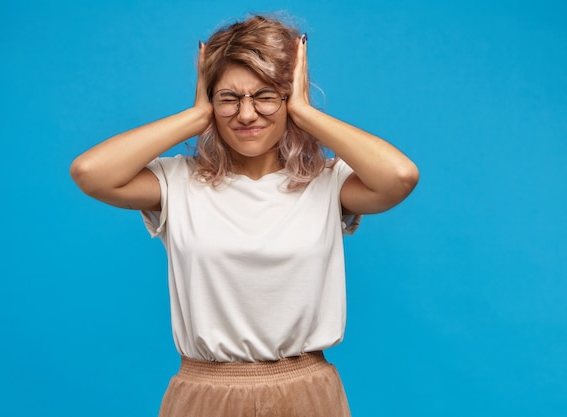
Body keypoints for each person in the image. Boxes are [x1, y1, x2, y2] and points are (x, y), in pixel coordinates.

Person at [70, 14, 419, 417]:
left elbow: (399, 176)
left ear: (290, 96)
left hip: (306, 393)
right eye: (229, 98)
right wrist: (197, 114)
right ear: (210, 100)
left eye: (266, 96)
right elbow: (89, 173)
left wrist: (304, 112)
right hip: (205, 393)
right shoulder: (177, 182)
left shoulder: (328, 182)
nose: (247, 114)